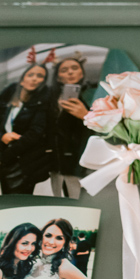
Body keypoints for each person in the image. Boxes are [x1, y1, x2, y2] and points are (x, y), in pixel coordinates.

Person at [0, 63, 52, 195]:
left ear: (43, 82)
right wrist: (2, 136)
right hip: (3, 159)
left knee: (19, 198)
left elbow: (34, 135)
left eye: (40, 76)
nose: (34, 78)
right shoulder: (4, 103)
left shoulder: (42, 104)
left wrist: (2, 158)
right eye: (30, 75)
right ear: (22, 79)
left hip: (24, 164)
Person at [49, 55, 95, 198]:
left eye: (74, 68)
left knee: (77, 196)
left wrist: (86, 115)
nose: (70, 72)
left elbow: (105, 126)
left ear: (82, 73)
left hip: (81, 157)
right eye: (64, 70)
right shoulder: (51, 98)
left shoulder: (93, 95)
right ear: (58, 78)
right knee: (58, 195)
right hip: (54, 158)